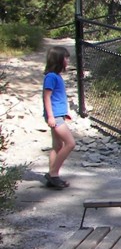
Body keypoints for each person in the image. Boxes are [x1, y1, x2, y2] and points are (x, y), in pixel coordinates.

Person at [42, 45, 76, 190]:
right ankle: (53, 173)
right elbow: (47, 97)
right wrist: (51, 116)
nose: (68, 60)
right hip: (54, 116)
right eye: (66, 58)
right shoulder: (51, 77)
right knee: (70, 143)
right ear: (59, 60)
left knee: (57, 146)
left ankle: (52, 177)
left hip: (58, 115)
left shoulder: (56, 76)